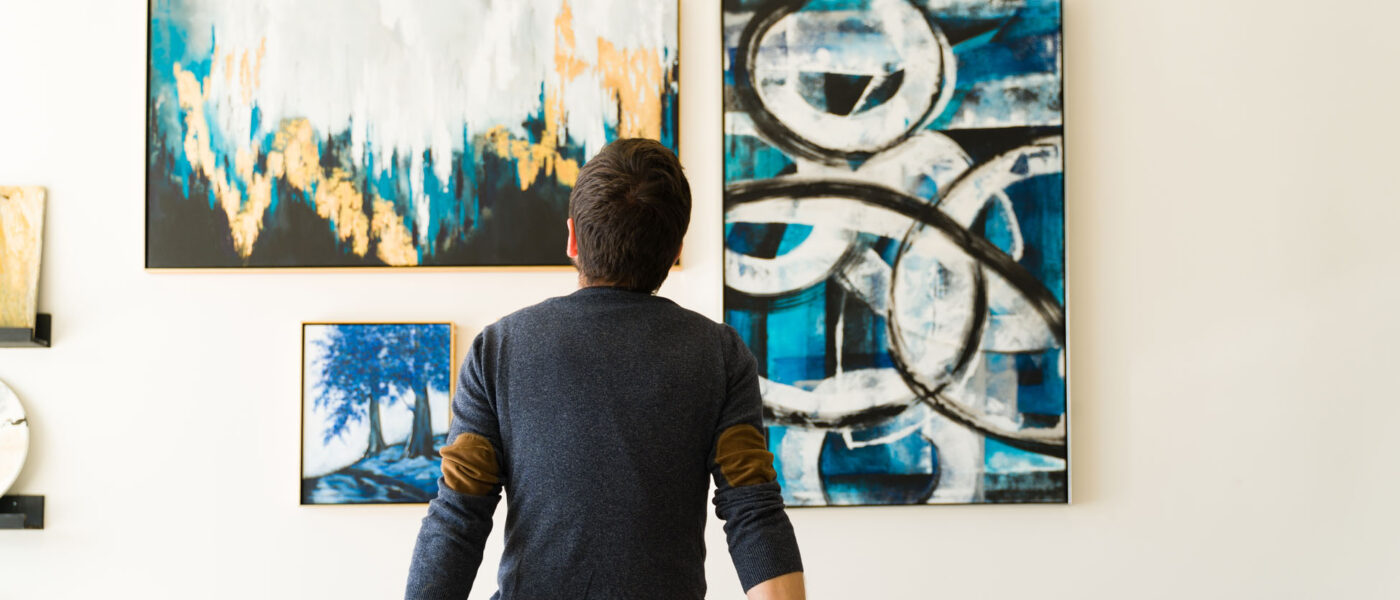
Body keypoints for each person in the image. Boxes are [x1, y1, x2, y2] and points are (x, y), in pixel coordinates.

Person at [405, 138, 805, 600]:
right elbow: (753, 510)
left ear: (573, 237)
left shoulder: (498, 349)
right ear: (675, 248)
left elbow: (457, 517)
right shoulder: (720, 354)